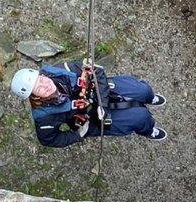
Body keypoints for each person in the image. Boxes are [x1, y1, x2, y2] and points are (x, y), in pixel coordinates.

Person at [11, 61, 167, 148]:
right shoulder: (45, 118)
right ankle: (148, 129)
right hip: (88, 117)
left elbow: (96, 72)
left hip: (99, 90)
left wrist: (103, 105)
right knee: (141, 117)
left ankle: (149, 98)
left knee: (142, 90)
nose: (45, 84)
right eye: (39, 88)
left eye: (42, 79)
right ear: (34, 96)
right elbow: (48, 139)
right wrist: (77, 135)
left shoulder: (64, 69)